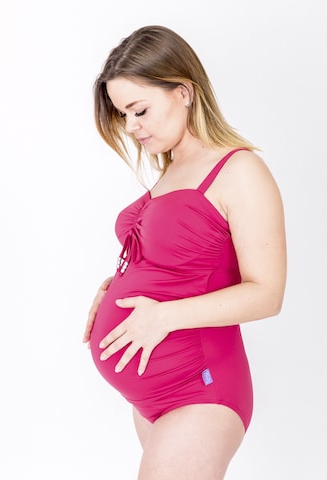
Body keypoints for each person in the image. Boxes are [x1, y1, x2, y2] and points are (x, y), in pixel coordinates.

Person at [82, 25, 287, 480]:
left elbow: (267, 294)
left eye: (139, 110)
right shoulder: (171, 170)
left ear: (184, 91)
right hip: (152, 397)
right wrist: (112, 287)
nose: (131, 127)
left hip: (200, 386)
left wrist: (163, 317)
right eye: (123, 115)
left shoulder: (240, 170)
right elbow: (178, 264)